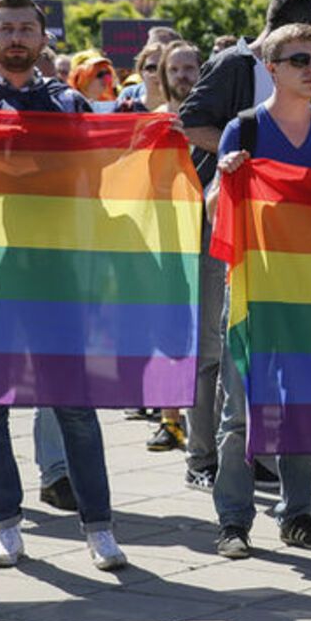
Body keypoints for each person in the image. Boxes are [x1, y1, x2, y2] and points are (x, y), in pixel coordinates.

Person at [0, 0, 126, 571]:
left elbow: (95, 179)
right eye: (7, 28)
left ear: (43, 39)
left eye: (27, 28)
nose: (17, 37)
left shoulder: (68, 103)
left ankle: (98, 528)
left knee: (73, 402)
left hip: (57, 272)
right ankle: (6, 526)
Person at [209, 23, 311, 559]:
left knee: (300, 408)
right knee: (240, 414)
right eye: (298, 60)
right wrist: (224, 181)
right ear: (272, 70)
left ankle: (298, 514)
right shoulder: (241, 131)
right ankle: (233, 521)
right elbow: (214, 214)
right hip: (250, 291)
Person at [179, 0, 311, 492]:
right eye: (302, 53)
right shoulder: (234, 65)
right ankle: (201, 457)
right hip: (225, 221)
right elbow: (188, 121)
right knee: (215, 344)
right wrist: (242, 153)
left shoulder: (303, 85)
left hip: (282, 235)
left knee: (264, 346)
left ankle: (253, 453)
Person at [145, 39, 205, 454]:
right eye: (174, 70)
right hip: (166, 239)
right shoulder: (152, 122)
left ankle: (207, 422)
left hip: (208, 235)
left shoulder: (213, 122)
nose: (182, 76)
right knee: (170, 333)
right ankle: (170, 420)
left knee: (208, 338)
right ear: (164, 78)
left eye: (189, 68)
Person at [116, 40, 165, 111]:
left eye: (163, 68)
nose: (157, 74)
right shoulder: (126, 108)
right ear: (141, 72)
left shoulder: (182, 109)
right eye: (151, 68)